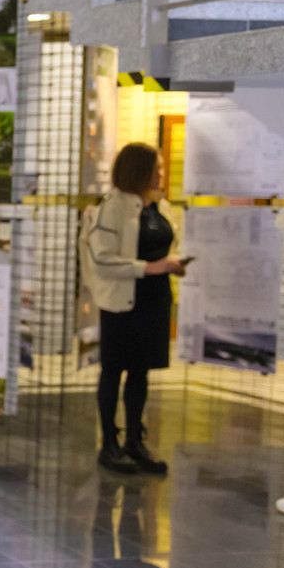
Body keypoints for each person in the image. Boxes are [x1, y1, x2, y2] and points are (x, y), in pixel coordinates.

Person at [81, 142, 182, 475]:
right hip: (122, 304)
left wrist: (173, 264)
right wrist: (149, 268)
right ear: (138, 170)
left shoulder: (159, 207)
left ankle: (135, 442)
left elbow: (162, 248)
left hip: (155, 301)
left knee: (141, 372)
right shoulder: (112, 208)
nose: (161, 174)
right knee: (114, 371)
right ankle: (109, 445)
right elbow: (102, 259)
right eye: (156, 168)